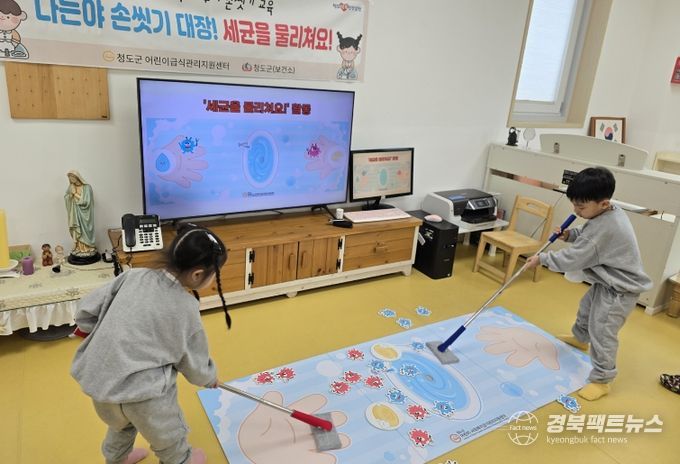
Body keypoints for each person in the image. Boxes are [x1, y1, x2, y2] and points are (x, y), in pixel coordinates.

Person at [71, 223, 231, 464]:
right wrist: (209, 378)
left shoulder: (132, 276)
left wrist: (97, 332)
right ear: (197, 275)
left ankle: (117, 460)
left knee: (121, 425)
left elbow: (85, 311)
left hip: (103, 385)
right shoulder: (186, 307)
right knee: (170, 438)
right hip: (145, 394)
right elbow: (193, 361)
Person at [526, 167, 652, 401]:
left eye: (581, 207)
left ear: (603, 203)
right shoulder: (608, 212)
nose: (576, 211)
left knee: (602, 332)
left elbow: (575, 257)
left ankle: (603, 379)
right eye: (574, 205)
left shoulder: (607, 226)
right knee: (586, 309)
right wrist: (569, 235)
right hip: (606, 282)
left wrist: (543, 259)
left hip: (620, 290)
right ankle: (580, 339)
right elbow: (587, 234)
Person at [64, 170, 99, 264]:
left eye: (72, 177)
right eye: (69, 178)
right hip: (75, 213)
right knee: (77, 230)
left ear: (77, 177)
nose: (71, 179)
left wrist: (74, 194)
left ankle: (88, 247)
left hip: (86, 214)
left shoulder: (87, 187)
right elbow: (66, 198)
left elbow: (86, 202)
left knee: (86, 230)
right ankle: (79, 248)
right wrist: (70, 195)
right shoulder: (71, 187)